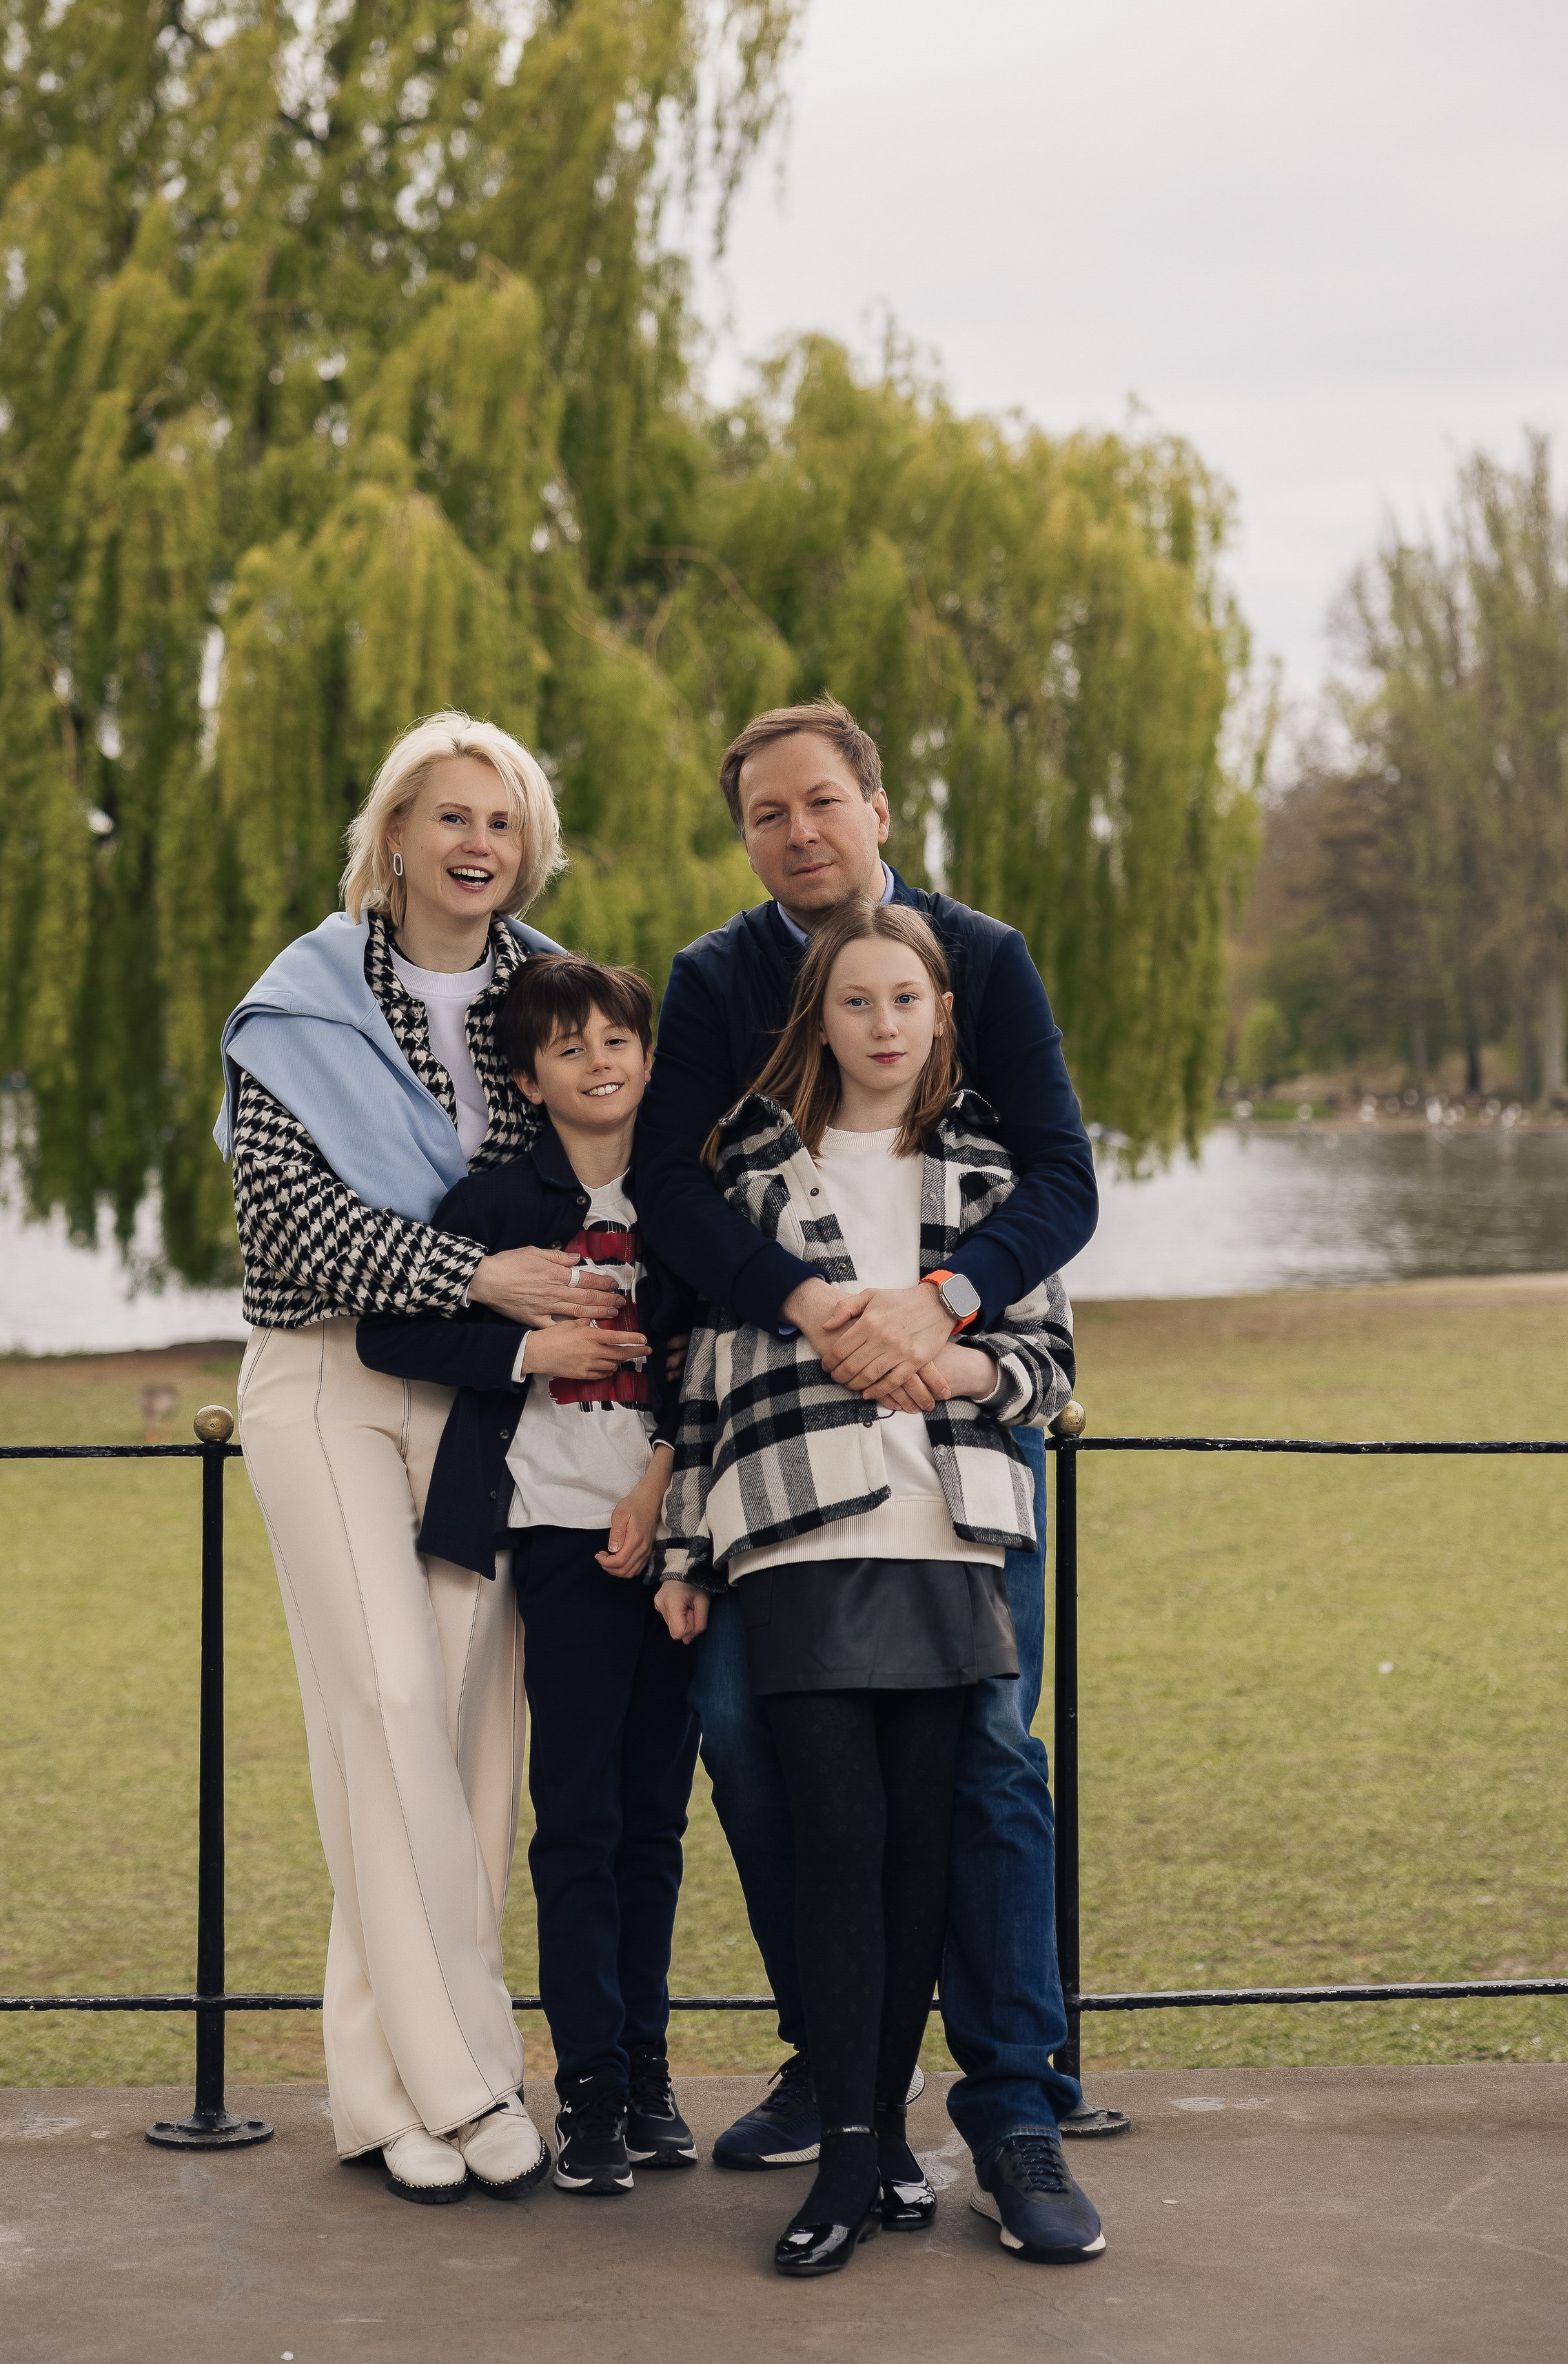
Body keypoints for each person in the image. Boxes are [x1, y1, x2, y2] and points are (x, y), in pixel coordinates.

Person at [633, 697, 1116, 2259]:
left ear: (878, 805)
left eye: (822, 801)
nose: (798, 831)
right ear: (745, 837)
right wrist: (814, 1307)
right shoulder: (714, 982)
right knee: (745, 1741)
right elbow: (667, 1195)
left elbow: (1056, 1177)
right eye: (767, 813)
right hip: (787, 1432)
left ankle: (1016, 2110)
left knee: (982, 1755)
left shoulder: (982, 957)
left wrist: (947, 1305)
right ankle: (846, 2070)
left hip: (959, 1440)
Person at [217, 711, 627, 2205]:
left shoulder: (557, 995)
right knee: (383, 1697)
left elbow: (609, 1170)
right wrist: (480, 1276)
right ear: (391, 833)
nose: (476, 847)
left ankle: (376, 2094)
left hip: (487, 1399)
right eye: (449, 817)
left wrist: (530, 1309)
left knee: (455, 1736)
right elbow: (289, 1231)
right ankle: (471, 2075)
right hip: (323, 1382)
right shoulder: (306, 998)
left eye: (502, 824)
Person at [356, 954, 701, 2199]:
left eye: (619, 1041)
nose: (599, 1062)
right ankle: (591, 2089)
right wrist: (526, 1348)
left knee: (657, 1825)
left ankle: (653, 2069)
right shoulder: (496, 1202)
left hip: (677, 1543)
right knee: (581, 1819)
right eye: (570, 1048)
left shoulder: (686, 1194)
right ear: (529, 1077)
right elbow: (392, 1329)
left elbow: (727, 1343)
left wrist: (663, 1485)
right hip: (556, 1545)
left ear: (647, 1058)